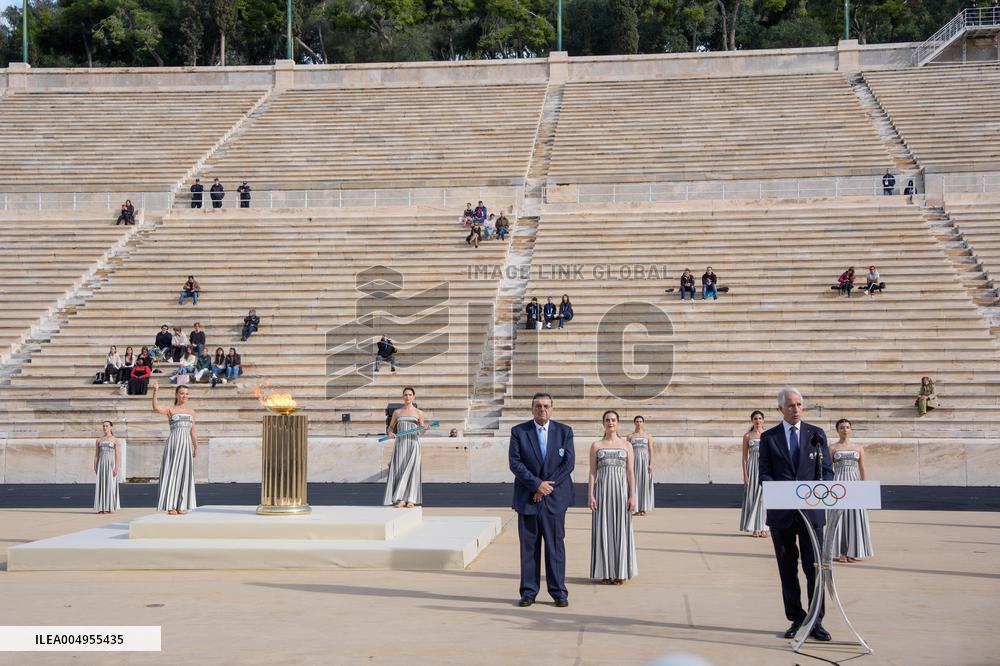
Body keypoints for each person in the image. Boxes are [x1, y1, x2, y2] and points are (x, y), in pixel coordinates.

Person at [759, 387, 834, 642]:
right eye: (791, 405)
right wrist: (783, 492)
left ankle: (816, 620)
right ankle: (796, 617)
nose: (796, 410)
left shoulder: (816, 434)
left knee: (815, 568)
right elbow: (765, 474)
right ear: (781, 408)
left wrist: (819, 490)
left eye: (800, 405)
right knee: (787, 568)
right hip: (782, 515)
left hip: (812, 514)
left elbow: (826, 471)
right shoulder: (770, 438)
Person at [509, 393, 575, 607]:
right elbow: (515, 463)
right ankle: (529, 591)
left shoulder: (564, 432)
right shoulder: (519, 432)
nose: (542, 410)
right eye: (538, 406)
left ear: (552, 409)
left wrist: (545, 488)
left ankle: (558, 592)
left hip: (555, 499)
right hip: (527, 499)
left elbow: (568, 464)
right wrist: (536, 484)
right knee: (529, 548)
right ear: (532, 409)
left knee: (555, 547)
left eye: (546, 406)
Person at [589, 410, 638, 585]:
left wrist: (632, 495)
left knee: (621, 530)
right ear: (603, 423)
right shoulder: (596, 445)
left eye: (613, 420)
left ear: (618, 423)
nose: (610, 422)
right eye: (607, 420)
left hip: (621, 492)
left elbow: (630, 472)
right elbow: (593, 473)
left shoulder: (627, 445)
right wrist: (591, 495)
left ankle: (620, 572)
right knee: (603, 529)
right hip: (602, 492)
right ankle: (605, 572)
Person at [830, 419, 873, 563]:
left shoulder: (858, 447)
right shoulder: (832, 448)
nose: (845, 430)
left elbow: (862, 468)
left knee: (854, 515)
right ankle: (841, 552)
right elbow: (828, 469)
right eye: (842, 427)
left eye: (847, 427)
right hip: (838, 483)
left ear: (851, 429)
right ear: (837, 430)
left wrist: (864, 486)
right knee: (839, 516)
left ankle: (852, 551)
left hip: (854, 482)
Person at [151, 383, 198, 514]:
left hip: (186, 445)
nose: (185, 396)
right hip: (174, 444)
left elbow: (193, 432)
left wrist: (196, 447)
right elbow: (155, 408)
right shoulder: (170, 410)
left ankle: (181, 505)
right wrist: (155, 391)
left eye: (187, 394)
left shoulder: (192, 412)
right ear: (177, 395)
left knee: (184, 474)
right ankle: (171, 505)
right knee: (172, 473)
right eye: (182, 393)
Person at [384, 387, 428, 508]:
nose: (407, 397)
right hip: (400, 444)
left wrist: (424, 429)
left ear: (414, 397)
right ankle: (401, 499)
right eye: (405, 395)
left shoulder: (419, 413)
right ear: (403, 397)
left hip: (413, 444)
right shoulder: (397, 412)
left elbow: (421, 430)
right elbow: (390, 427)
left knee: (412, 470)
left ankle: (411, 499)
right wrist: (390, 433)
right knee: (400, 470)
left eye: (409, 395)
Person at [740, 410, 768, 538]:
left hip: (764, 468)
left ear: (763, 420)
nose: (758, 421)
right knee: (752, 497)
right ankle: (754, 527)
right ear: (752, 421)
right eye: (755, 418)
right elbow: (744, 457)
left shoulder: (767, 435)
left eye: (760, 418)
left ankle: (764, 527)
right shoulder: (747, 436)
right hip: (752, 468)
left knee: (763, 498)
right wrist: (745, 474)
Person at [627, 415, 654, 516]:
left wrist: (650, 464)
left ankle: (644, 508)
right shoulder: (630, 436)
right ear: (634, 423)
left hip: (644, 462)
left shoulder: (648, 436)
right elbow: (628, 450)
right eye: (637, 421)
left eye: (640, 421)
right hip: (634, 462)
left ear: (643, 423)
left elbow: (651, 450)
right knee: (635, 483)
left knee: (644, 483)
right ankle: (637, 508)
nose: (639, 423)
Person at [93, 420, 121, 514]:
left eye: (107, 426)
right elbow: (96, 455)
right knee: (101, 484)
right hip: (101, 463)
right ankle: (101, 508)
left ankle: (109, 507)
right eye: (104, 426)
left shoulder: (115, 440)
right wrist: (95, 465)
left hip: (110, 463)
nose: (105, 428)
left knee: (110, 484)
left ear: (111, 427)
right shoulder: (98, 440)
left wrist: (116, 467)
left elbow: (117, 455)